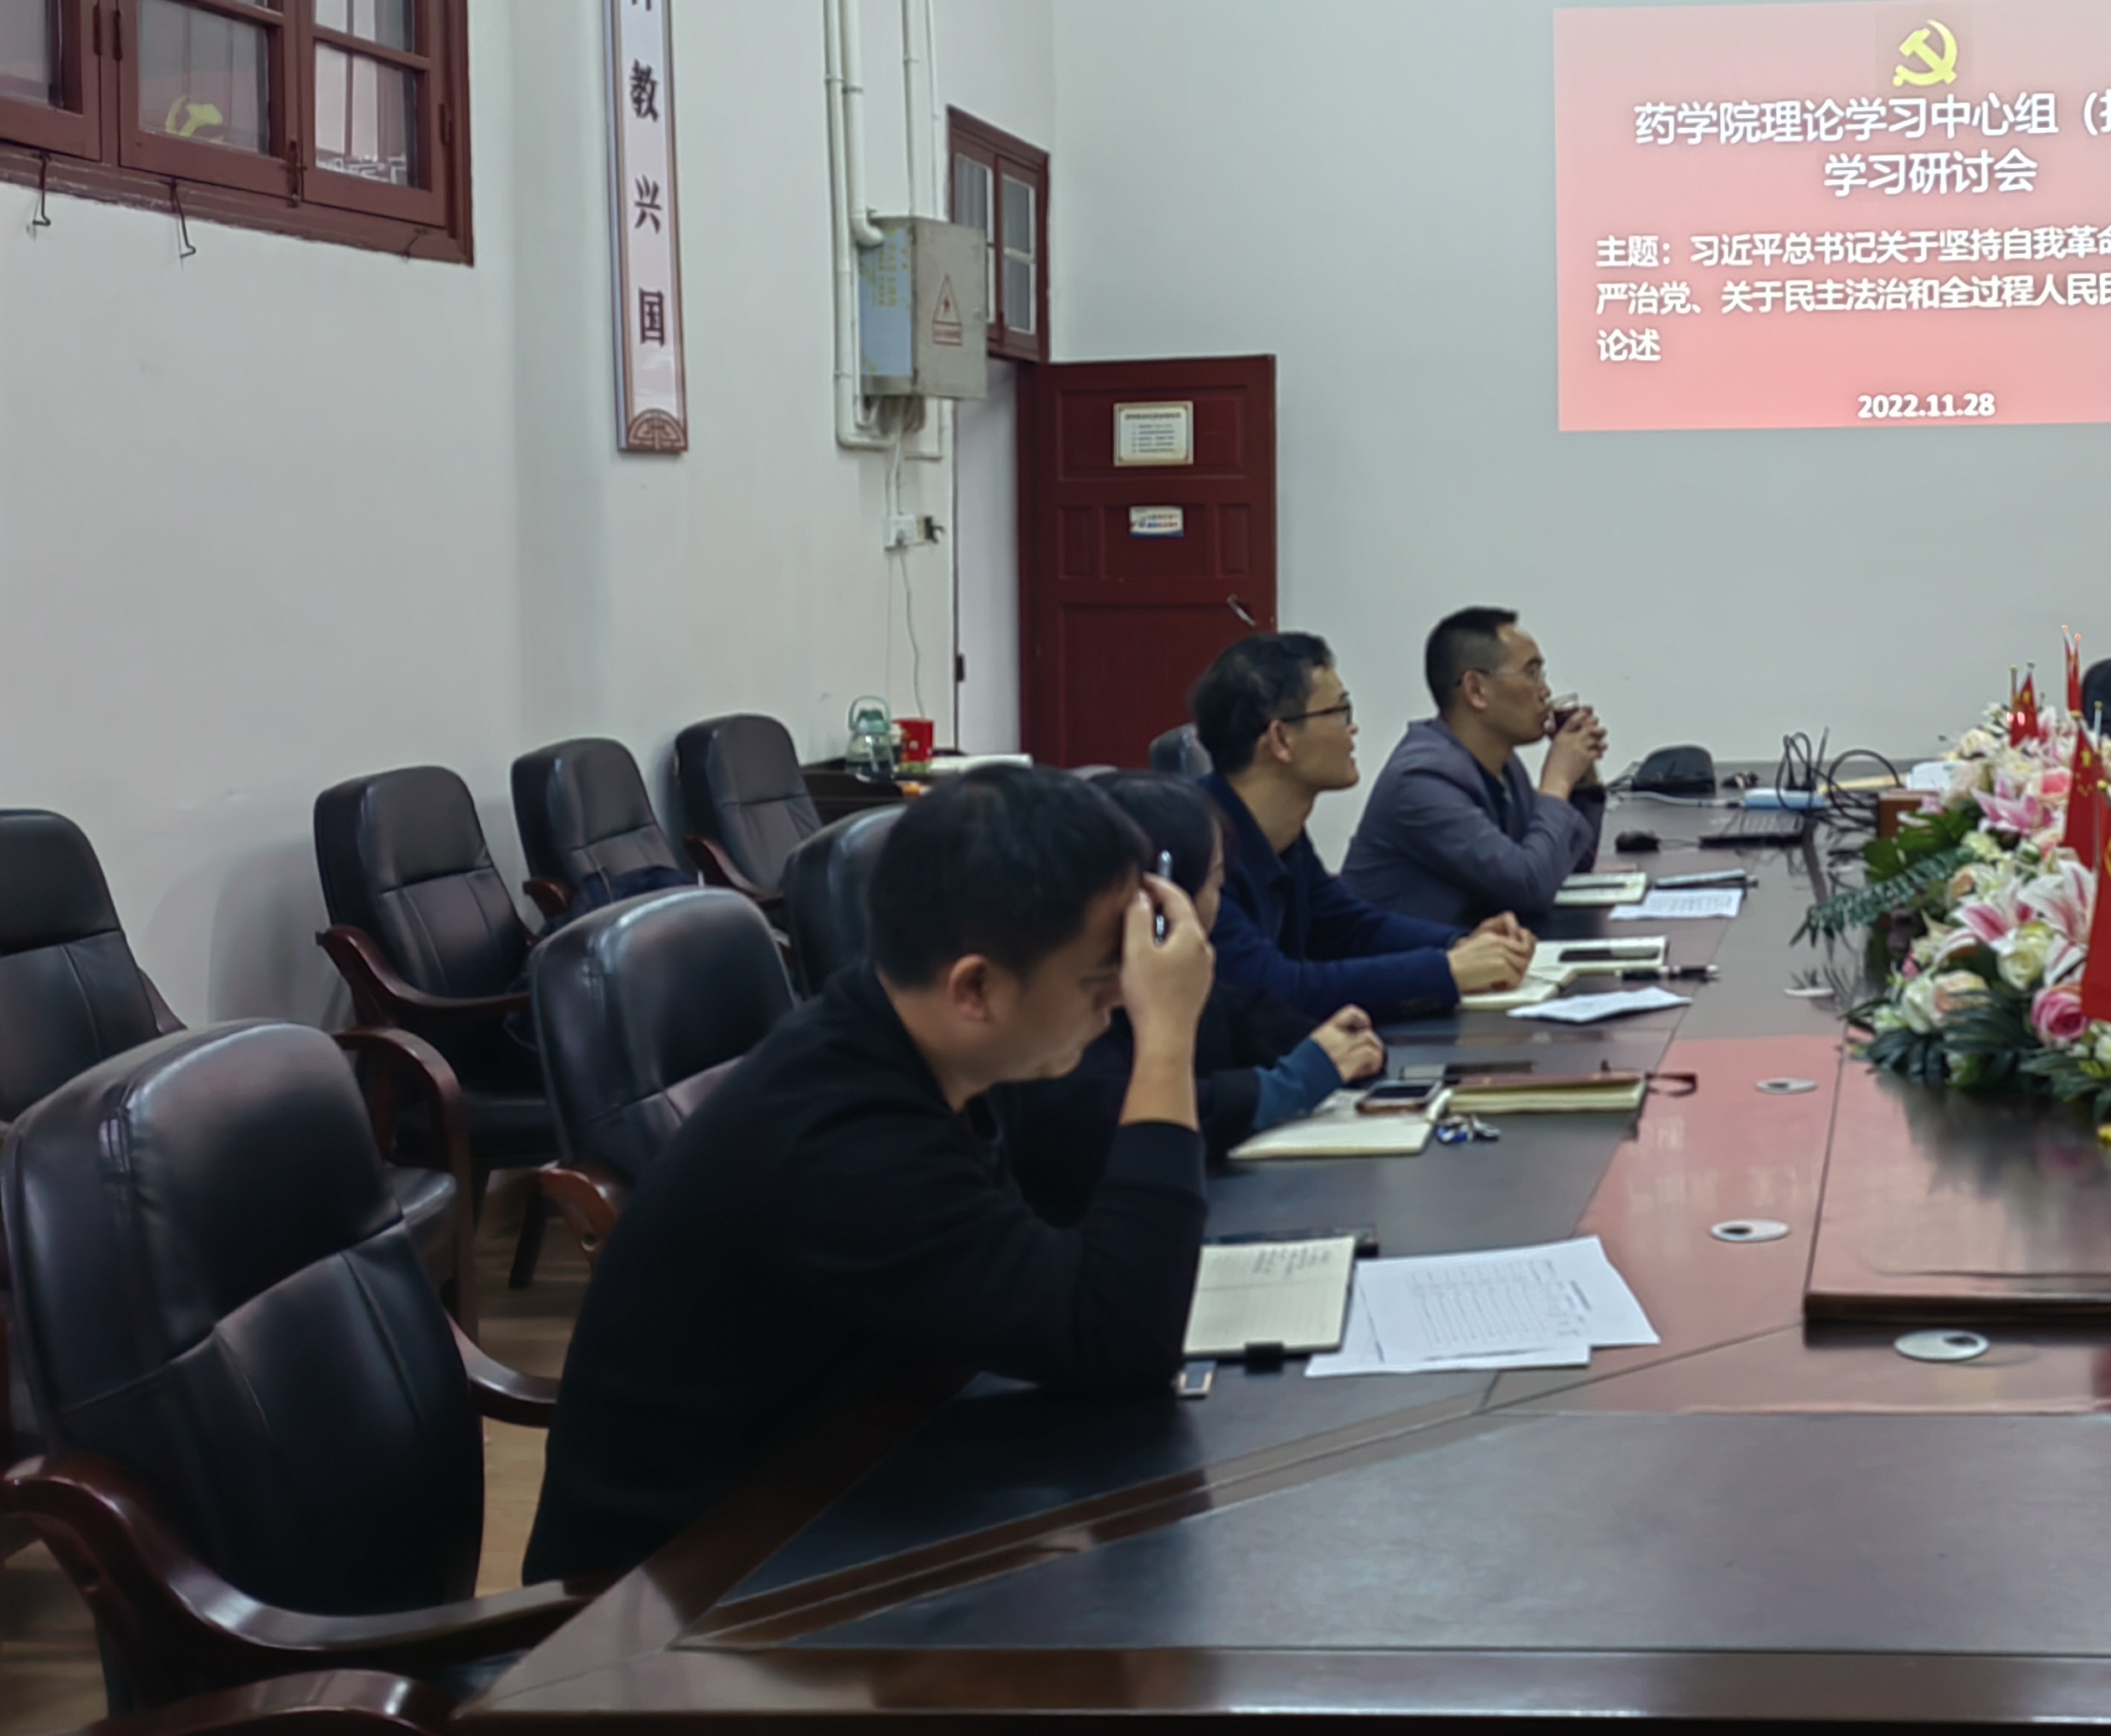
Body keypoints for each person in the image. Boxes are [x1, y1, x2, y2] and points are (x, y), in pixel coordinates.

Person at [522, 767, 1213, 1584]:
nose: (1120, 1004)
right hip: (689, 1583)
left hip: (852, 1473)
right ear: (976, 987)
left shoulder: (904, 1035)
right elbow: (1122, 1336)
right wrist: (1169, 1034)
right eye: (1104, 981)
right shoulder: (842, 1144)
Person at [1193, 629, 1536, 1024]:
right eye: (1339, 712)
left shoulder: (1281, 833)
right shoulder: (1195, 849)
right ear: (1281, 739)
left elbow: (1349, 927)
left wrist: (1463, 943)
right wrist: (1446, 972)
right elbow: (1277, 990)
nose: (1352, 729)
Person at [1096, 771, 1386, 1158]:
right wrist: (1290, 1085)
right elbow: (1145, 1121)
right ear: (1162, 897)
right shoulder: (1085, 1021)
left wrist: (1335, 1044)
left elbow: (1244, 1017)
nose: (1217, 902)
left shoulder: (1198, 987)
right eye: (1216, 883)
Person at [1344, 608, 1610, 927]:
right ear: (1476, 690)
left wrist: (1581, 778)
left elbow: (1567, 863)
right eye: (1531, 674)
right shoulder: (1421, 780)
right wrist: (1557, 781)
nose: (1545, 692)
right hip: (1400, 956)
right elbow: (1529, 886)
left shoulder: (1504, 765)